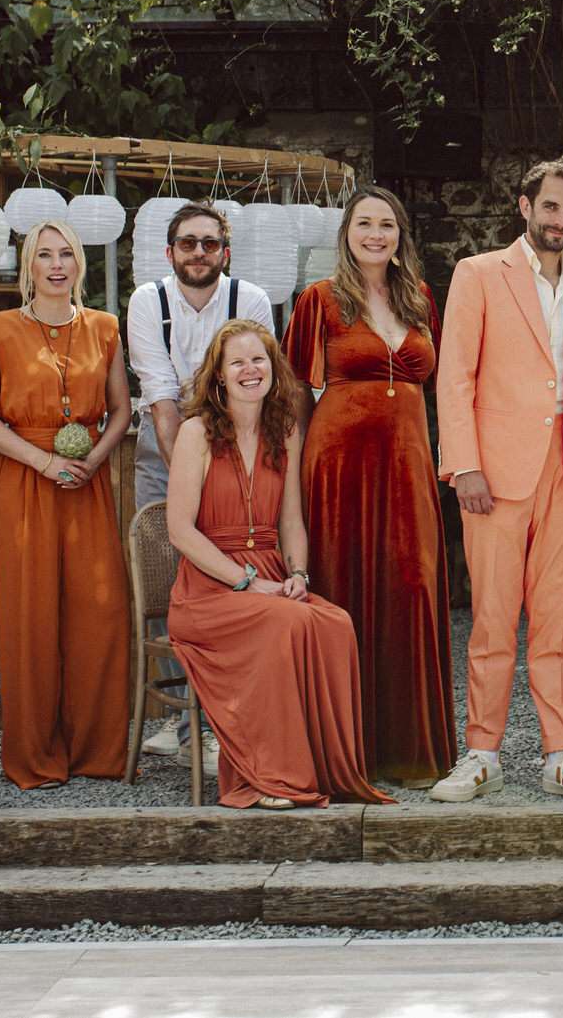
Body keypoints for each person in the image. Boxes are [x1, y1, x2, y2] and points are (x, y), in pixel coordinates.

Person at [164, 319, 393, 810]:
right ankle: (271, 776)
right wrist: (247, 583)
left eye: (259, 359)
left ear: (273, 368)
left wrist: (298, 575)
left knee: (334, 623)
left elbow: (291, 520)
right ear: (219, 374)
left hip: (270, 579)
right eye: (238, 362)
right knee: (283, 623)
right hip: (208, 591)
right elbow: (180, 531)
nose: (251, 370)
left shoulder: (285, 430)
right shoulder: (196, 432)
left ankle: (325, 769)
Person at [434, 161, 563, 802]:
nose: (560, 220)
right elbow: (454, 374)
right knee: (492, 618)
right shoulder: (479, 273)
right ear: (525, 206)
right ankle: (482, 753)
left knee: (557, 622)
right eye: (551, 207)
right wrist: (464, 464)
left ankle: (559, 754)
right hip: (494, 473)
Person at [284, 185, 454, 788]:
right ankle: (342, 750)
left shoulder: (421, 299)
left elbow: (444, 384)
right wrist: (295, 470)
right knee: (344, 586)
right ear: (347, 234)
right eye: (364, 223)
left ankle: (409, 749)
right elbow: (295, 391)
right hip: (339, 465)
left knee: (412, 584)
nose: (375, 234)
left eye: (386, 224)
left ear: (400, 234)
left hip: (408, 464)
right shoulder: (320, 299)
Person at [0, 219, 132, 789]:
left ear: (79, 263)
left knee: (98, 613)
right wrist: (42, 462)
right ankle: (35, 753)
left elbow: (120, 410)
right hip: (24, 481)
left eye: (66, 254)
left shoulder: (105, 327)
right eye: (44, 255)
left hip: (87, 484)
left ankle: (96, 750)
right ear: (28, 266)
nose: (57, 265)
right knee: (29, 614)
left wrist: (94, 460)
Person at [124, 200, 275, 758]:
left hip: (237, 446)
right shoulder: (148, 301)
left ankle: (222, 719)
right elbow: (161, 395)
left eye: (210, 243)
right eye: (188, 243)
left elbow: (258, 380)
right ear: (169, 252)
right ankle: (182, 720)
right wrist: (189, 478)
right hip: (165, 445)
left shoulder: (250, 299)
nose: (199, 252)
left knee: (230, 569)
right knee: (169, 576)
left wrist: (226, 477)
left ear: (224, 253)